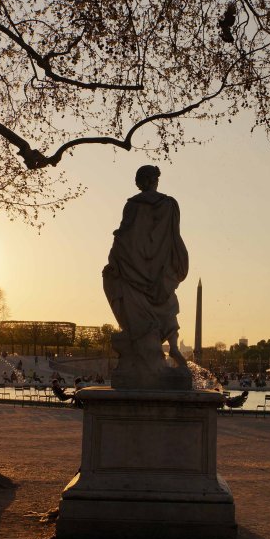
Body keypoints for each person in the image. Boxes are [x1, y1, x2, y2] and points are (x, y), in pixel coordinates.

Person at [103, 165, 189, 388]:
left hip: (135, 267)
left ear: (140, 182)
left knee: (118, 286)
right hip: (160, 268)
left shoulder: (132, 205)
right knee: (168, 305)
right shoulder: (169, 204)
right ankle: (174, 347)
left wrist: (116, 261)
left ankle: (140, 344)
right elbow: (174, 237)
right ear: (155, 181)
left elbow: (124, 235)